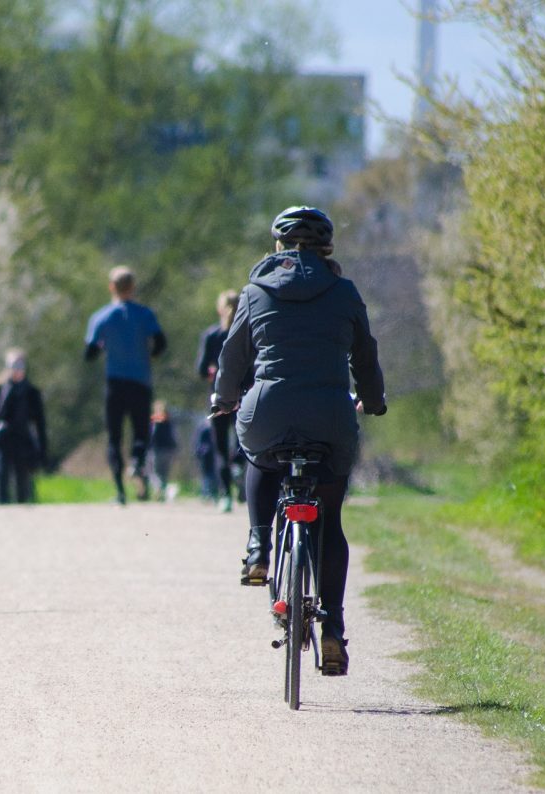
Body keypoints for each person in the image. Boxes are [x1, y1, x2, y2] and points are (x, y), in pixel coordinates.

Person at [210, 206, 386, 676]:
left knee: (259, 456)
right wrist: (374, 399)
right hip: (330, 417)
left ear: (278, 247)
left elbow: (232, 357)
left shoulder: (254, 291)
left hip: (268, 412)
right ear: (327, 249)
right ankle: (333, 629)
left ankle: (259, 547)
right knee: (331, 520)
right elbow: (365, 357)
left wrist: (223, 400)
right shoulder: (344, 292)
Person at [84, 266, 167, 505]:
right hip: (141, 381)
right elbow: (161, 343)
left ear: (111, 287)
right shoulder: (145, 314)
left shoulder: (101, 317)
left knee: (114, 436)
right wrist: (147, 354)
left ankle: (120, 492)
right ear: (133, 287)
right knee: (141, 431)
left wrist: (104, 346)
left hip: (115, 383)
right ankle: (137, 462)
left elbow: (89, 353)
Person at [0, 348, 48, 504]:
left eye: (20, 366)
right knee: (0, 479)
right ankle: (2, 519)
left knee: (23, 488)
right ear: (7, 367)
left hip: (23, 443)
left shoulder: (32, 392)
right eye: (13, 366)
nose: (17, 370)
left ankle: (20, 522)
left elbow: (40, 424)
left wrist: (43, 450)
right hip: (1, 442)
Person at [196, 290, 241, 513]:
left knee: (221, 448)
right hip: (244, 397)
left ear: (219, 309)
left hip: (218, 398)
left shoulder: (212, 335)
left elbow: (201, 369)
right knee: (245, 442)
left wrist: (214, 371)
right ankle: (239, 469)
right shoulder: (247, 333)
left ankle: (225, 495)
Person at [148, 400, 178, 501]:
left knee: (154, 472)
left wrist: (149, 444)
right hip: (169, 450)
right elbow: (173, 435)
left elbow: (153, 435)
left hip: (157, 449)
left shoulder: (155, 419)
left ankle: (160, 489)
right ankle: (163, 494)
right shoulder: (169, 420)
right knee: (164, 473)